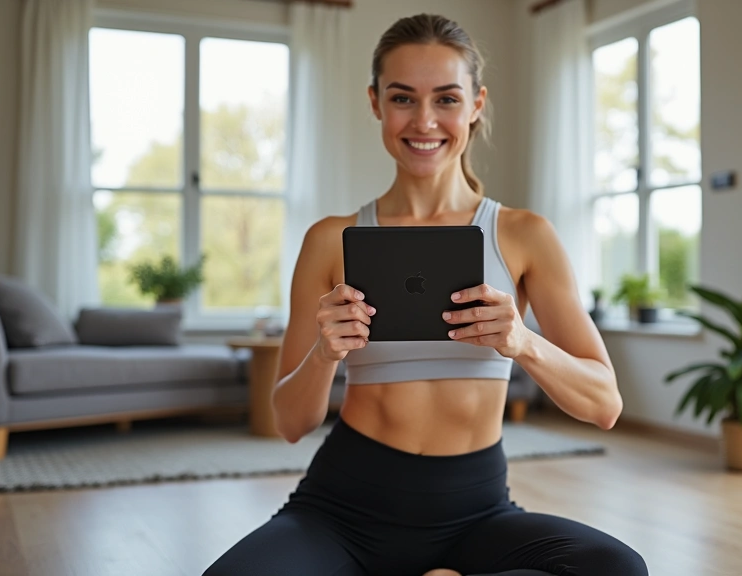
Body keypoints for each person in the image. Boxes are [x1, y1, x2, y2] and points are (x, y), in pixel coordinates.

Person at [203, 14, 648, 576]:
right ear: (375, 103)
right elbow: (290, 423)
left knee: (616, 569)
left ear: (476, 104)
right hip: (342, 511)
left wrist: (523, 342)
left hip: (476, 513)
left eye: (446, 99)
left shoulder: (524, 235)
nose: (424, 121)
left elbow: (605, 404)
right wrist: (325, 352)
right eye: (402, 98)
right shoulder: (330, 240)